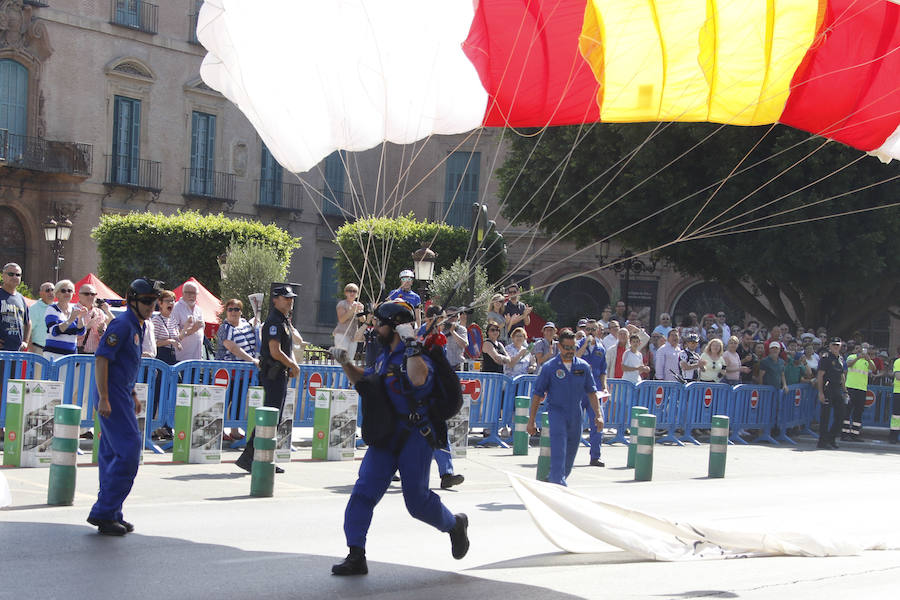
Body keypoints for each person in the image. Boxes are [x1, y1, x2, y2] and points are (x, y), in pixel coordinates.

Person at [329, 299, 469, 575]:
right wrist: (345, 362)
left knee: (416, 503)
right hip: (386, 435)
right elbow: (367, 382)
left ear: (394, 327)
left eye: (379, 324)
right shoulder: (383, 357)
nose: (374, 329)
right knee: (363, 492)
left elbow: (418, 379)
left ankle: (454, 524)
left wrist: (413, 345)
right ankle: (356, 554)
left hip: (415, 435)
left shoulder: (417, 354)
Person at [87, 277, 160, 535]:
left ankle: (112, 511)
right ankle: (104, 512)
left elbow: (124, 365)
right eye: (146, 301)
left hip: (120, 394)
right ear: (132, 301)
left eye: (154, 301)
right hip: (111, 395)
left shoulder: (138, 325)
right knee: (128, 453)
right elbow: (101, 360)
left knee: (111, 454)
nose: (152, 306)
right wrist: (105, 397)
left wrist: (132, 393)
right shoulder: (123, 324)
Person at [234, 285, 303, 473]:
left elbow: (287, 348)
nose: (290, 301)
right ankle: (250, 457)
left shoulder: (284, 320)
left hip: (279, 373)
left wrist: (292, 363)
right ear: (275, 300)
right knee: (271, 417)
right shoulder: (274, 321)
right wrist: (292, 365)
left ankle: (263, 458)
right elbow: (275, 350)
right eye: (286, 298)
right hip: (273, 373)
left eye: (291, 298)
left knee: (275, 417)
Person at [527, 328, 602, 485]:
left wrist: (598, 415)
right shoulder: (549, 367)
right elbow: (537, 394)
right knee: (559, 450)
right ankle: (558, 482)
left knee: (570, 456)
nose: (570, 351)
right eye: (566, 348)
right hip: (556, 413)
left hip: (576, 414)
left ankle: (554, 480)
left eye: (573, 348)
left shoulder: (583, 367)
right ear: (559, 347)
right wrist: (531, 419)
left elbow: (592, 392)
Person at [217, 298, 259, 442]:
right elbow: (232, 347)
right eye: (230, 309)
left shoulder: (246, 324)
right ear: (226, 311)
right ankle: (218, 429)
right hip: (228, 372)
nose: (233, 312)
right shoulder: (225, 328)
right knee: (224, 400)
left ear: (241, 311)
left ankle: (234, 430)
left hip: (244, 372)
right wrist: (252, 360)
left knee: (239, 401)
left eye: (237, 309)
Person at [574, 321, 609, 467]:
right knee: (575, 423)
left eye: (593, 329)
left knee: (598, 422)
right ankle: (567, 455)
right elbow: (575, 357)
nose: (590, 332)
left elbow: (603, 371)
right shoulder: (578, 343)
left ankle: (595, 456)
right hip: (579, 388)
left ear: (598, 331)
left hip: (594, 390)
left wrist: (605, 387)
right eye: (587, 329)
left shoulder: (601, 347)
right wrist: (585, 343)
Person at [842, 343, 878, 441]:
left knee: (858, 412)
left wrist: (868, 359)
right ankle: (844, 434)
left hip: (862, 389)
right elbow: (848, 364)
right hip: (850, 387)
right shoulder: (852, 356)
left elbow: (874, 369)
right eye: (863, 348)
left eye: (867, 348)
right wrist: (858, 357)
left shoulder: (868, 359)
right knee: (847, 410)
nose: (864, 350)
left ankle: (855, 434)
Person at [44, 280, 87, 360]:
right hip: (53, 355)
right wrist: (70, 320)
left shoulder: (75, 309)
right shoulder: (52, 309)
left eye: (70, 291)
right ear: (57, 294)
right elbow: (54, 331)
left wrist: (81, 317)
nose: (67, 293)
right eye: (63, 291)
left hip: (71, 355)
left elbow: (81, 332)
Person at [816, 338, 846, 449]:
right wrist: (820, 392)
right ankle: (822, 442)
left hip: (837, 388)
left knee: (841, 415)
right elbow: (820, 376)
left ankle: (831, 438)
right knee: (825, 417)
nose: (836, 347)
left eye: (838, 345)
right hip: (827, 388)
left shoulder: (840, 358)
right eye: (834, 345)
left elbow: (842, 376)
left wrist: (845, 390)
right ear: (830, 346)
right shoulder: (826, 358)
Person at [0, 263, 30, 353]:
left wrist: (25, 341)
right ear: (3, 275)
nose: (14, 277)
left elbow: (28, 322)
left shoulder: (21, 298)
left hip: (16, 351)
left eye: (18, 275)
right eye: (11, 274)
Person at [76, 284, 113, 354]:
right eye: (86, 294)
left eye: (93, 294)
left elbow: (114, 323)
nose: (90, 296)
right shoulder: (73, 311)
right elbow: (70, 335)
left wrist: (101, 332)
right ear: (79, 295)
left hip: (95, 355)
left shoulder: (99, 313)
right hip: (77, 355)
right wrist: (87, 327)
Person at [173, 282, 205, 361]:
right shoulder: (176, 308)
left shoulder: (199, 310)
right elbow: (173, 333)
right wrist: (192, 330)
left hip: (197, 358)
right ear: (183, 293)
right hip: (182, 359)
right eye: (188, 293)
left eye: (194, 293)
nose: (191, 295)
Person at [151, 290, 182, 366]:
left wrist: (188, 328)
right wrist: (170, 341)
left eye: (172, 301)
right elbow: (152, 342)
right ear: (160, 303)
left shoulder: (173, 320)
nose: (171, 303)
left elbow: (178, 338)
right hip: (159, 359)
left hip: (172, 357)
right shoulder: (156, 320)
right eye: (167, 301)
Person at [333, 283, 364, 356]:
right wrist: (352, 310)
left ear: (357, 294)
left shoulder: (359, 304)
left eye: (354, 291)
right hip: (342, 334)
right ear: (346, 293)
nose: (352, 293)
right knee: (341, 358)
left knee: (349, 360)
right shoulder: (342, 304)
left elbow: (363, 320)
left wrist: (359, 311)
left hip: (353, 336)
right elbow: (341, 320)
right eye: (350, 291)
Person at [26, 282, 54, 354]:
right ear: (41, 293)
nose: (51, 292)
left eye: (52, 290)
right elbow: (27, 330)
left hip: (54, 351)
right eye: (47, 290)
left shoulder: (57, 308)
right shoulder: (34, 308)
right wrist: (31, 350)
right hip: (38, 350)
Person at [441, 307, 469, 371]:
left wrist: (452, 331)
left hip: (457, 366)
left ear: (457, 317)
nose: (451, 318)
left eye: (454, 316)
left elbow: (464, 345)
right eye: (449, 316)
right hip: (442, 366)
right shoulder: (440, 329)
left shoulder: (461, 329)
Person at [890, 346, 900, 444]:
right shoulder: (898, 362)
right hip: (898, 392)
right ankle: (893, 437)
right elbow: (898, 376)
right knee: (896, 416)